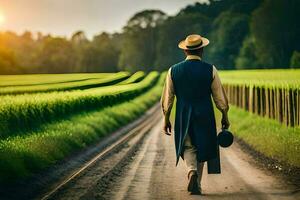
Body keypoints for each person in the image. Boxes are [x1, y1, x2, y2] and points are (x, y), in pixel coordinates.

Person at [161, 34, 230, 195]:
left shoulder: (173, 70)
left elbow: (168, 98)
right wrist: (224, 115)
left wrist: (166, 118)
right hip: (205, 113)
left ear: (185, 50)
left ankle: (191, 171)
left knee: (188, 146)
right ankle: (197, 183)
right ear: (202, 50)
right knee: (202, 147)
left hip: (183, 113)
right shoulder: (210, 69)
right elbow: (219, 97)